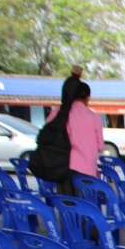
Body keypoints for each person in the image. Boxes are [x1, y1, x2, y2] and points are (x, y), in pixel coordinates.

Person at [46, 66, 104, 197]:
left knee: (67, 204)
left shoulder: (57, 113)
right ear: (87, 97)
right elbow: (100, 146)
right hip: (85, 170)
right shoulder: (94, 117)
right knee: (85, 205)